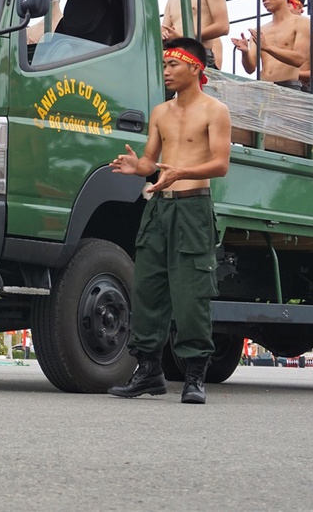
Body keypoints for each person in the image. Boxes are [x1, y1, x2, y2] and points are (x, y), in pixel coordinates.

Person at [107, 37, 231, 404]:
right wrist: (137, 168)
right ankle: (148, 371)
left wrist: (183, 172)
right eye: (164, 65)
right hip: (159, 208)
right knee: (147, 288)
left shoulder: (215, 111)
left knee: (191, 294)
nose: (166, 71)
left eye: (173, 64)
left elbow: (221, 164)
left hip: (193, 208)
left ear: (195, 67)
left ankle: (194, 377)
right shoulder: (160, 112)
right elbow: (151, 161)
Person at [230, 0, 310, 90]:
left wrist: (267, 47)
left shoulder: (301, 22)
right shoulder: (260, 30)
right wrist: (245, 52)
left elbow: (298, 59)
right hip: (263, 88)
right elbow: (250, 68)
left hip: (288, 88)